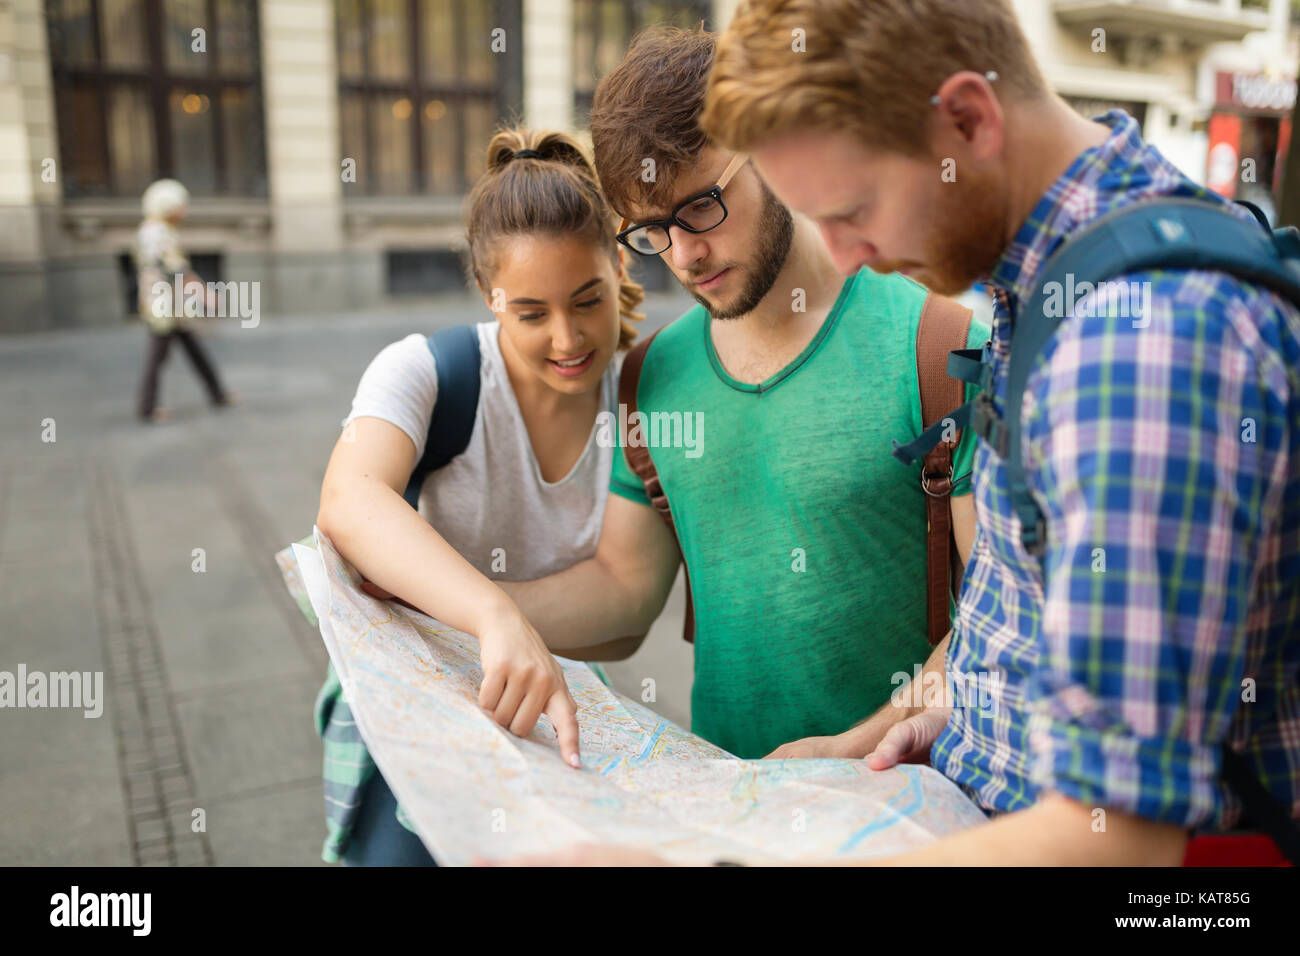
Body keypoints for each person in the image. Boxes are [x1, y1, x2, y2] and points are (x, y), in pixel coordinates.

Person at [504, 0, 1300, 866]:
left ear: (967, 118)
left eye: (852, 207)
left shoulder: (1134, 345)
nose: (844, 257)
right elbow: (1014, 620)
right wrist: (914, 727)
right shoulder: (1041, 281)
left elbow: (1116, 842)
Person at [494, 28, 989, 761]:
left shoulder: (944, 347)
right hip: (734, 805)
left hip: (914, 805)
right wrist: (467, 608)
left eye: (701, 207)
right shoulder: (652, 373)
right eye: (651, 232)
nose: (684, 255)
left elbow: (1003, 615)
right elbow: (625, 590)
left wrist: (853, 748)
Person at [312, 128, 646, 865]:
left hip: (554, 725)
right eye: (531, 313)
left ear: (619, 263)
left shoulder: (643, 401)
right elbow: (348, 499)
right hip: (419, 731)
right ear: (489, 295)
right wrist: (493, 616)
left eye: (588, 300)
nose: (567, 338)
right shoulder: (429, 371)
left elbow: (626, 612)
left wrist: (436, 602)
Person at [133, 179, 235, 423]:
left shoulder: (158, 230)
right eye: (181, 206)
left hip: (171, 306)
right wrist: (204, 293)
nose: (184, 212)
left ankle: (218, 394)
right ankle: (147, 408)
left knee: (192, 349)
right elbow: (174, 270)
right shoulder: (155, 232)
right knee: (159, 355)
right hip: (164, 306)